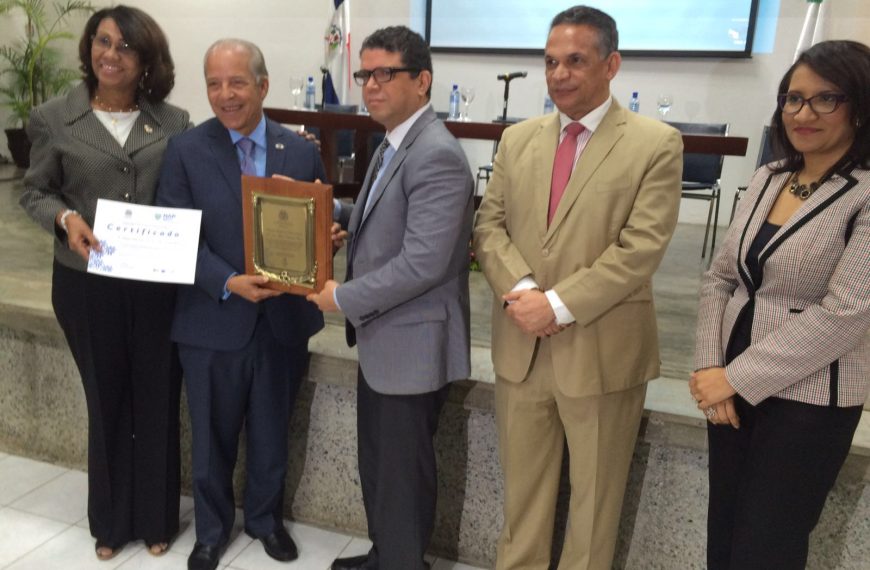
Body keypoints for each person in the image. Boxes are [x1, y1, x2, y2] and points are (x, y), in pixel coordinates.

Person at [473, 6, 683, 570]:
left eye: (575, 61)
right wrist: (523, 292)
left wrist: (558, 306)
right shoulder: (518, 140)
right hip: (522, 343)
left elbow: (640, 249)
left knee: (593, 514)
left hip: (600, 350)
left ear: (611, 64)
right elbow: (489, 226)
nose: (559, 74)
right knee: (523, 504)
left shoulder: (655, 143)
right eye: (549, 62)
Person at [690, 40, 870, 570]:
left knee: (767, 545)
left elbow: (848, 312)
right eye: (792, 98)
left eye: (824, 99)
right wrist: (708, 365)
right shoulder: (770, 178)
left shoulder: (865, 194)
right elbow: (720, 277)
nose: (802, 113)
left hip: (809, 398)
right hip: (727, 385)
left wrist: (738, 377)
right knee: (722, 530)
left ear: (859, 106)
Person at [18, 6, 188, 561]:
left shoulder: (175, 121)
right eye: (102, 42)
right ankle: (111, 523)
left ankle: (158, 516)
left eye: (125, 47)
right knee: (106, 396)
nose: (109, 55)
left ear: (146, 62)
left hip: (158, 285)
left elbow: (186, 196)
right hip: (86, 282)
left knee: (158, 397)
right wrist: (66, 221)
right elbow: (35, 191)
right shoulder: (52, 116)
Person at [306, 26, 474, 570]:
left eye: (386, 74)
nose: (370, 85)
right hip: (386, 342)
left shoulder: (436, 154)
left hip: (412, 345)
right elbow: (386, 214)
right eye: (365, 74)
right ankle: (386, 555)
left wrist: (344, 296)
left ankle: (403, 562)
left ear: (422, 81)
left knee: (402, 475)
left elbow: (423, 263)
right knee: (379, 465)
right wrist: (333, 218)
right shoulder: (394, 140)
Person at [156, 39, 326, 570]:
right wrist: (229, 280)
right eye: (213, 83)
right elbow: (177, 236)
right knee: (210, 436)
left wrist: (325, 240)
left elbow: (311, 227)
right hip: (212, 316)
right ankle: (211, 531)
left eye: (237, 82)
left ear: (263, 85)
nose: (224, 94)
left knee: (273, 430)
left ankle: (264, 520)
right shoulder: (185, 150)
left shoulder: (299, 150)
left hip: (281, 319)